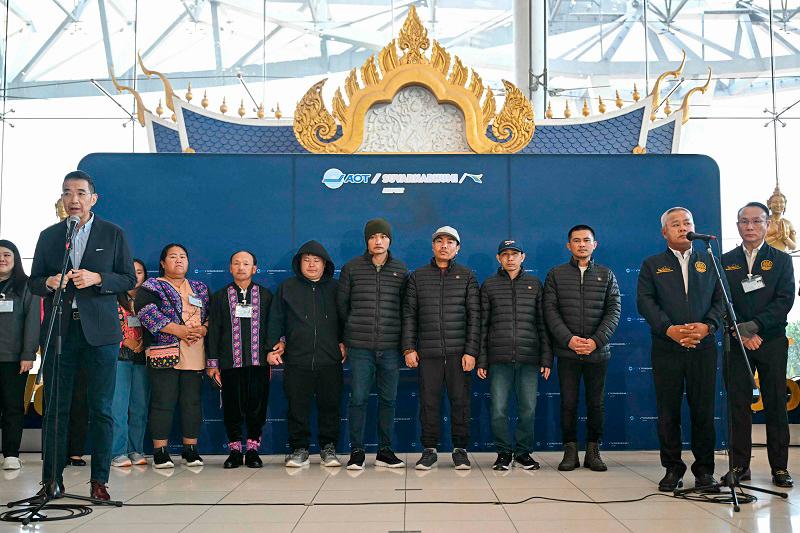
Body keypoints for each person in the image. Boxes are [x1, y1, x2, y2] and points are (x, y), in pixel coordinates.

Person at [29, 170, 135, 500]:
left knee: (101, 407)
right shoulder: (49, 236)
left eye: (80, 193)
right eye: (67, 193)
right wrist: (49, 283)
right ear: (62, 199)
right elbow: (34, 281)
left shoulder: (113, 233)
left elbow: (127, 278)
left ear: (93, 198)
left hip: (101, 333)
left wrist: (97, 278)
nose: (73, 199)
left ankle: (99, 480)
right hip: (60, 331)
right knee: (57, 407)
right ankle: (51, 480)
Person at [636, 207, 724, 492]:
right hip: (667, 348)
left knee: (703, 410)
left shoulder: (709, 260)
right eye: (675, 224)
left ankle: (705, 471)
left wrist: (707, 326)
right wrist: (669, 329)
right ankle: (672, 468)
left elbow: (722, 300)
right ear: (665, 232)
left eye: (687, 222)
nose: (682, 227)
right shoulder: (652, 264)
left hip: (703, 347)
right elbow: (646, 302)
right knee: (668, 412)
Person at [722, 201, 796, 488]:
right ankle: (739, 466)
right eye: (744, 221)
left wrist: (755, 328)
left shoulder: (781, 259)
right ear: (737, 224)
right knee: (738, 404)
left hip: (771, 340)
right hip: (738, 342)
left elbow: (785, 300)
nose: (750, 227)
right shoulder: (725, 260)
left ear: (767, 225)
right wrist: (741, 332)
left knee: (776, 403)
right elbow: (722, 300)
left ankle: (780, 468)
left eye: (756, 221)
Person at [543, 225, 621, 472]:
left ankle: (593, 451)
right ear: (569, 246)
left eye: (586, 240)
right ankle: (569, 451)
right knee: (568, 402)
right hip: (568, 352)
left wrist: (596, 341)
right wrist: (569, 340)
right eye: (576, 241)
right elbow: (550, 310)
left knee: (596, 403)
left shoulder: (606, 275)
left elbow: (614, 311)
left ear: (594, 244)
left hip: (598, 353)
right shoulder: (556, 274)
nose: (581, 244)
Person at [403, 226, 480, 470]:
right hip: (428, 353)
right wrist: (408, 348)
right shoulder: (418, 276)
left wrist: (471, 351)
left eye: (450, 242)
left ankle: (460, 450)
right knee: (429, 403)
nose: (444, 246)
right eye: (439, 241)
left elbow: (474, 317)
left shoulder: (467, 276)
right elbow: (409, 316)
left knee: (460, 402)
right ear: (433, 246)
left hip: (459, 354)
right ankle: (429, 450)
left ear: (457, 248)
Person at [337, 218, 408, 470]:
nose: (378, 241)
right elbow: (341, 308)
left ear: (389, 240)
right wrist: (345, 338)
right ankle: (356, 451)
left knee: (388, 399)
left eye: (383, 236)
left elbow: (405, 310)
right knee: (358, 398)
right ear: (366, 240)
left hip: (390, 347)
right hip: (359, 347)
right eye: (373, 237)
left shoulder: (400, 269)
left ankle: (385, 451)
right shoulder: (351, 268)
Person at [267, 240, 345, 468]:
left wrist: (345, 342)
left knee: (330, 406)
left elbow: (346, 319)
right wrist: (273, 345)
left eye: (316, 261)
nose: (311, 265)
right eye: (306, 260)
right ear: (299, 263)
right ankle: (298, 449)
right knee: (297, 406)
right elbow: (275, 320)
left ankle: (328, 448)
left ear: (325, 264)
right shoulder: (287, 287)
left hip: (330, 359)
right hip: (297, 360)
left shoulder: (336, 288)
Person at [478, 239, 551, 471]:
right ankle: (503, 453)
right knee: (499, 409)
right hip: (498, 359)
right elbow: (482, 325)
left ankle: (522, 453)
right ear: (499, 258)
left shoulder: (535, 284)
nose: (510, 258)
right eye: (505, 254)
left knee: (527, 408)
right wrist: (482, 359)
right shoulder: (489, 285)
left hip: (529, 358)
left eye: (514, 254)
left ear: (523, 257)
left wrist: (546, 358)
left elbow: (543, 324)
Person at [136, 243, 209, 469]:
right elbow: (146, 314)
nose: (179, 260)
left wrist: (204, 328)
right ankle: (160, 451)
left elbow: (211, 316)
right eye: (173, 257)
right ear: (163, 262)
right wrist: (179, 330)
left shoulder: (200, 288)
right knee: (162, 402)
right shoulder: (151, 286)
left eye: (183, 257)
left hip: (195, 351)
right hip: (163, 351)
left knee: (192, 402)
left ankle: (191, 450)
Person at [207, 250, 273, 469]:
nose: (241, 267)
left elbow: (274, 327)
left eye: (246, 263)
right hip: (230, 363)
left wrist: (275, 349)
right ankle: (235, 450)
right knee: (232, 408)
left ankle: (253, 449)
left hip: (258, 363)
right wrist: (213, 363)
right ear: (230, 268)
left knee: (257, 407)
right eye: (236, 263)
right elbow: (214, 331)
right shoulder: (219, 297)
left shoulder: (266, 296)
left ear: (254, 268)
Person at [0, 240, 40, 470]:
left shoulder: (26, 286)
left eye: (7, 255)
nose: (2, 259)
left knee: (13, 406)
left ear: (15, 259)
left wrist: (28, 354)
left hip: (15, 358)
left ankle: (11, 454)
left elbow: (32, 322)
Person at [110, 258, 149, 468]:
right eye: (130, 272)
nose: (135, 276)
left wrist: (144, 342)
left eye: (139, 272)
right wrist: (126, 340)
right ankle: (117, 452)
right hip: (119, 356)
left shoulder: (150, 298)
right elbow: (103, 325)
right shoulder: (111, 298)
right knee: (118, 407)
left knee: (139, 407)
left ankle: (136, 449)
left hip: (143, 357)